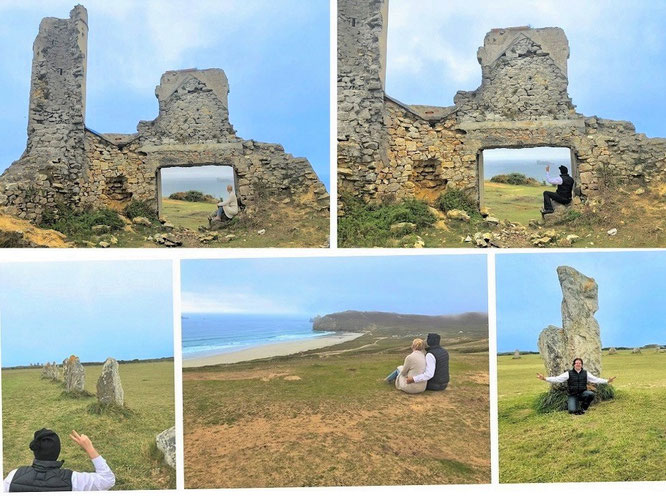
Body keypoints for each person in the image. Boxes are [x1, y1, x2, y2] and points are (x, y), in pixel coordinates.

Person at [4, 429, 116, 491]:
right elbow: (108, 480)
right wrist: (89, 448)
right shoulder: (73, 480)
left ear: (35, 450)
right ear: (57, 452)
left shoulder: (13, 477)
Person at [537, 357, 616, 415]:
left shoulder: (586, 373)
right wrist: (544, 378)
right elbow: (558, 379)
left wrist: (607, 381)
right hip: (573, 395)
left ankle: (583, 408)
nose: (578, 364)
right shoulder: (568, 373)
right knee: (572, 411)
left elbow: (595, 379)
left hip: (582, 393)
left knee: (591, 394)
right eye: (576, 363)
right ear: (574, 365)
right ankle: (575, 405)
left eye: (580, 363)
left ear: (581, 365)